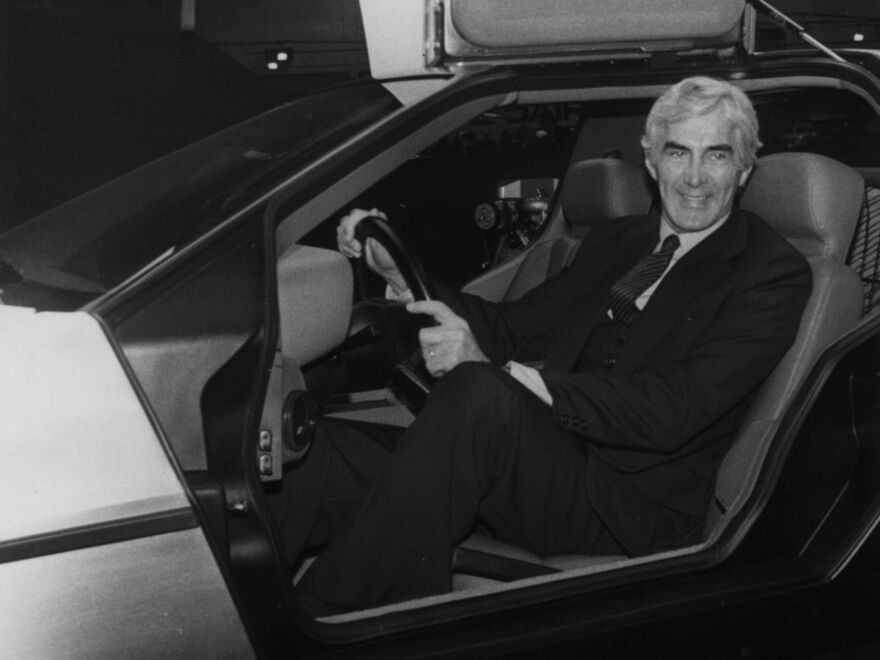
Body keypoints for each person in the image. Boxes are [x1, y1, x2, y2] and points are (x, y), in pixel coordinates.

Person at [269, 76, 812, 616]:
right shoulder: (618, 243)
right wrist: (404, 275)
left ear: (743, 169)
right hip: (551, 459)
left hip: (631, 503)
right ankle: (256, 614)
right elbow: (509, 328)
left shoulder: (769, 272)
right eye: (678, 152)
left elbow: (674, 409)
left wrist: (505, 376)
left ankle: (325, 626)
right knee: (320, 452)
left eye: (716, 155)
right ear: (651, 163)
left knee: (482, 395)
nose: (695, 177)